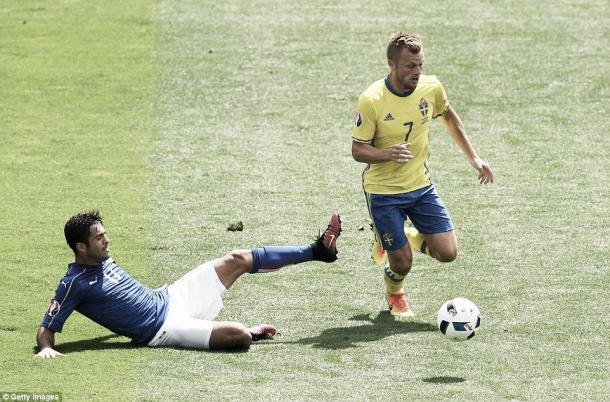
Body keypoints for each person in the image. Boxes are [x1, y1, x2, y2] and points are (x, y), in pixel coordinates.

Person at [36, 210, 342, 357]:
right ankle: (250, 331)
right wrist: (46, 348)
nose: (106, 240)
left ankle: (317, 250)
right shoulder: (73, 283)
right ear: (81, 248)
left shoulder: (103, 259)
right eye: (99, 238)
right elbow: (47, 326)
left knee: (236, 259)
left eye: (104, 234)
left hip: (171, 295)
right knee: (239, 337)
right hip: (163, 329)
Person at [351, 32, 493, 321]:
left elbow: (449, 117)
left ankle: (397, 236)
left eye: (420, 65)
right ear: (392, 64)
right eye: (409, 66)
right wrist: (387, 153)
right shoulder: (372, 99)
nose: (417, 72)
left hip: (420, 187)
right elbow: (358, 150)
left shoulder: (431, 88)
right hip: (383, 193)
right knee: (402, 263)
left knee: (448, 253)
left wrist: (474, 158)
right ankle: (395, 293)